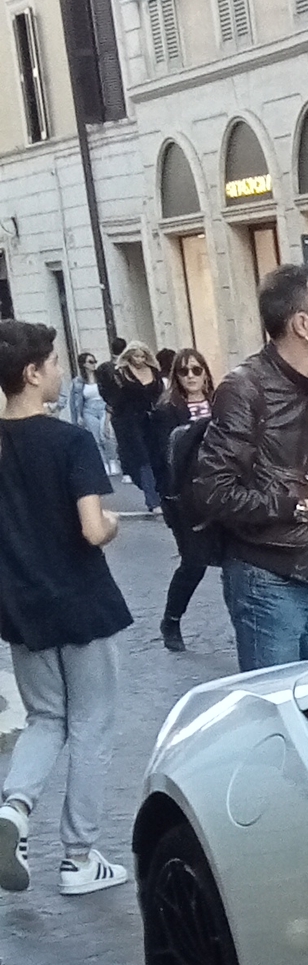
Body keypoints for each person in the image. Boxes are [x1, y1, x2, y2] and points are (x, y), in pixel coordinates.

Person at [192, 263, 308, 670]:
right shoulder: (244, 388)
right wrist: (306, 509)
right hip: (264, 575)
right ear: (302, 324)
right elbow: (213, 491)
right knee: (274, 705)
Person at [0, 319, 130, 895]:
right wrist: (112, 525)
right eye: (52, 363)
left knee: (45, 720)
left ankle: (12, 813)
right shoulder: (70, 441)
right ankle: (79, 857)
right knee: (92, 724)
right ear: (32, 373)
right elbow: (91, 528)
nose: (59, 372)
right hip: (81, 601)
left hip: (21, 605)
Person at [150, 347, 219, 651]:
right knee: (194, 563)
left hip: (222, 493)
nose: (191, 376)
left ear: (205, 372)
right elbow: (160, 459)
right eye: (183, 371)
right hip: (183, 498)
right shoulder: (166, 411)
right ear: (175, 376)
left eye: (196, 369)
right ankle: (171, 620)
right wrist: (167, 499)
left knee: (236, 560)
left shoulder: (222, 404)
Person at [99, 339, 165, 514]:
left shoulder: (154, 372)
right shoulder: (122, 373)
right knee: (140, 459)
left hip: (151, 419)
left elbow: (160, 395)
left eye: (143, 356)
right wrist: (109, 418)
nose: (139, 359)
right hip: (128, 420)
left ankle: (157, 493)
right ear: (129, 356)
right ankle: (152, 499)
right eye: (136, 356)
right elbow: (115, 398)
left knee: (155, 456)